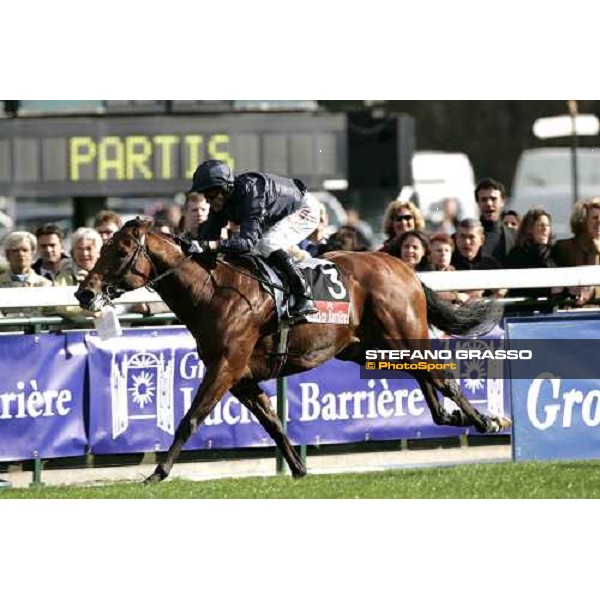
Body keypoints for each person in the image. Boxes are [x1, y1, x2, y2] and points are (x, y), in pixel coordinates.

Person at [187, 160, 321, 317]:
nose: (207, 199)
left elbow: (247, 243)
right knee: (253, 249)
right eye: (204, 194)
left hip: (304, 209)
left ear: (224, 188)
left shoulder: (251, 192)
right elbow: (206, 238)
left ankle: (304, 295)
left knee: (266, 244)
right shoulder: (220, 202)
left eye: (210, 194)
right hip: (276, 216)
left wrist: (211, 245)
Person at [553, 198, 600, 306]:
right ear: (583, 221)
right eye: (594, 218)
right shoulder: (564, 248)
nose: (599, 222)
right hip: (572, 316)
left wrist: (594, 292)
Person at [506, 207, 558, 300]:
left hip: (549, 309)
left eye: (547, 225)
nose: (545, 229)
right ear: (529, 228)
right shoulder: (517, 254)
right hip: (524, 309)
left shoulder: (555, 252)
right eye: (540, 225)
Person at [0, 231, 51, 317]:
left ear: (32, 253)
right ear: (7, 255)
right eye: (15, 250)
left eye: (25, 250)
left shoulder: (45, 284)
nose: (20, 254)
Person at [452, 218, 503, 299]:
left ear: (482, 240)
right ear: (456, 238)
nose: (466, 242)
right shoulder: (448, 264)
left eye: (471, 237)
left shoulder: (491, 265)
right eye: (462, 237)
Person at [474, 178, 516, 266]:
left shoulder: (515, 236)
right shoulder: (464, 237)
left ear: (502, 202)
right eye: (484, 199)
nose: (489, 203)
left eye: (493, 199)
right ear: (477, 203)